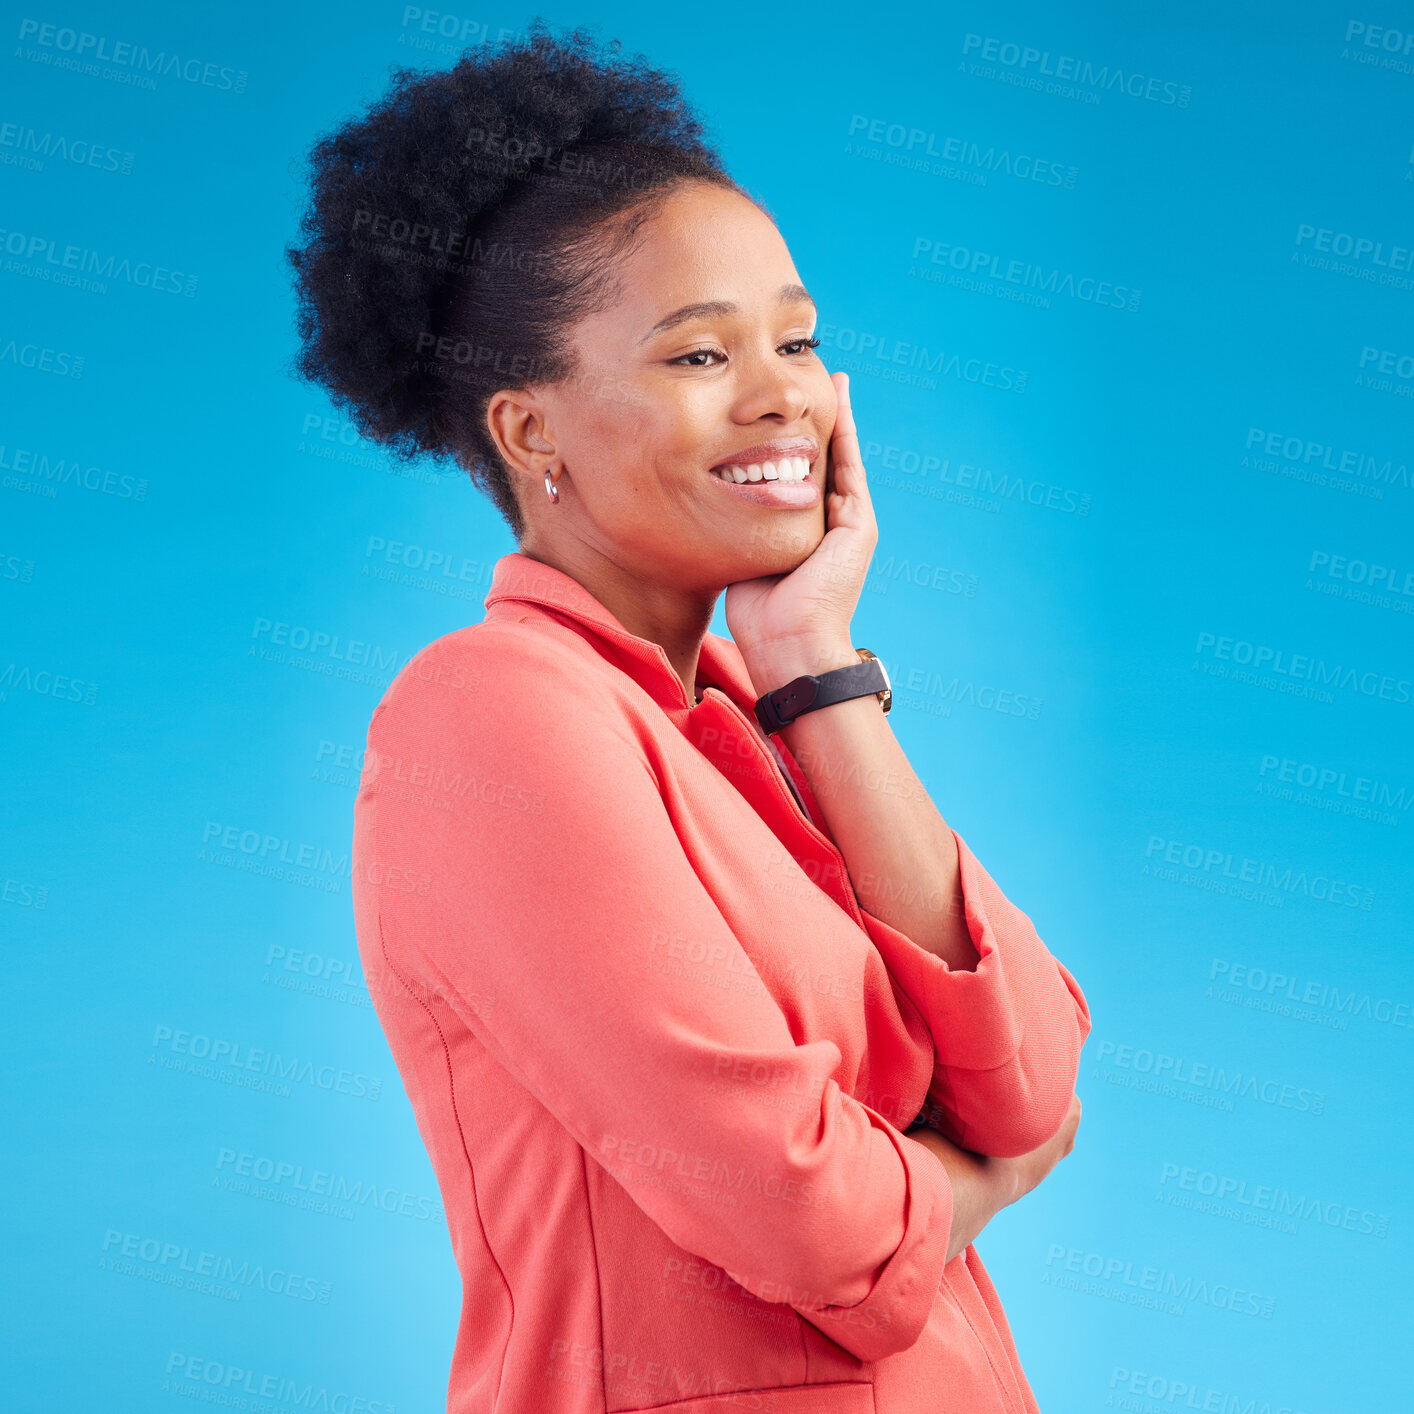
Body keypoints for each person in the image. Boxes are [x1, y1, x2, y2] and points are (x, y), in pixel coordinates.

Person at [287, 22, 1090, 1414]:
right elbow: (797, 1211)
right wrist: (968, 1182)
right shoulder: (489, 717)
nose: (784, 388)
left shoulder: (741, 728)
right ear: (532, 435)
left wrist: (813, 669)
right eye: (699, 357)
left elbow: (1031, 1079)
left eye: (795, 337)